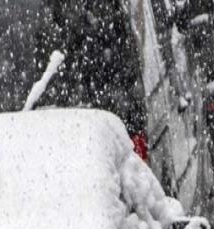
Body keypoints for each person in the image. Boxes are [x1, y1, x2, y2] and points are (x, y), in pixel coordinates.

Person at [34, 0, 148, 158]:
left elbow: (126, 65)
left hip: (109, 126)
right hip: (77, 126)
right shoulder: (47, 24)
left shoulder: (102, 16)